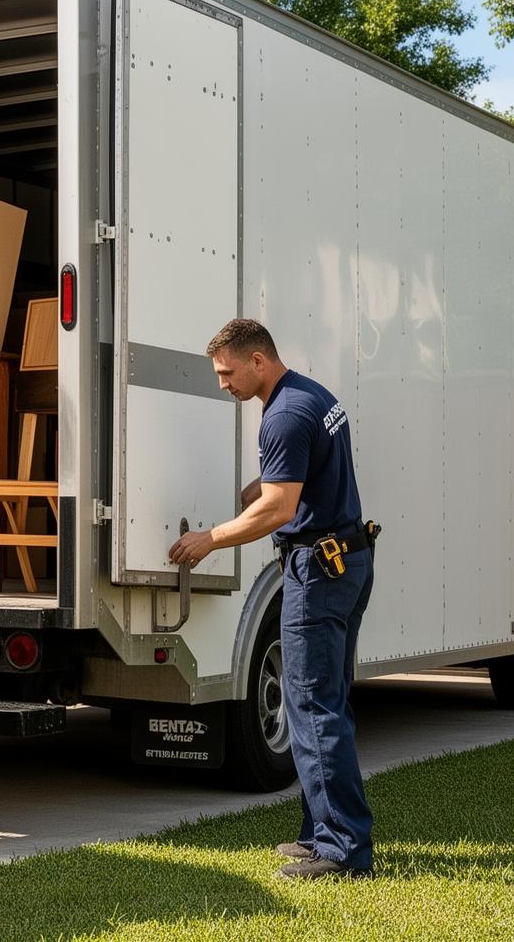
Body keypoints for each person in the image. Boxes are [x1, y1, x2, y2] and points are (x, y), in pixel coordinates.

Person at [167, 318, 375, 880]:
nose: (223, 385)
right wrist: (262, 486)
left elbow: (281, 510)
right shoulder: (312, 395)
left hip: (319, 571)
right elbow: (304, 474)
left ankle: (343, 851)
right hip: (349, 558)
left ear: (258, 360)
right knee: (325, 705)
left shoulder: (282, 414)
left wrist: (210, 538)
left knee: (311, 708)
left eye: (227, 373)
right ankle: (322, 835)